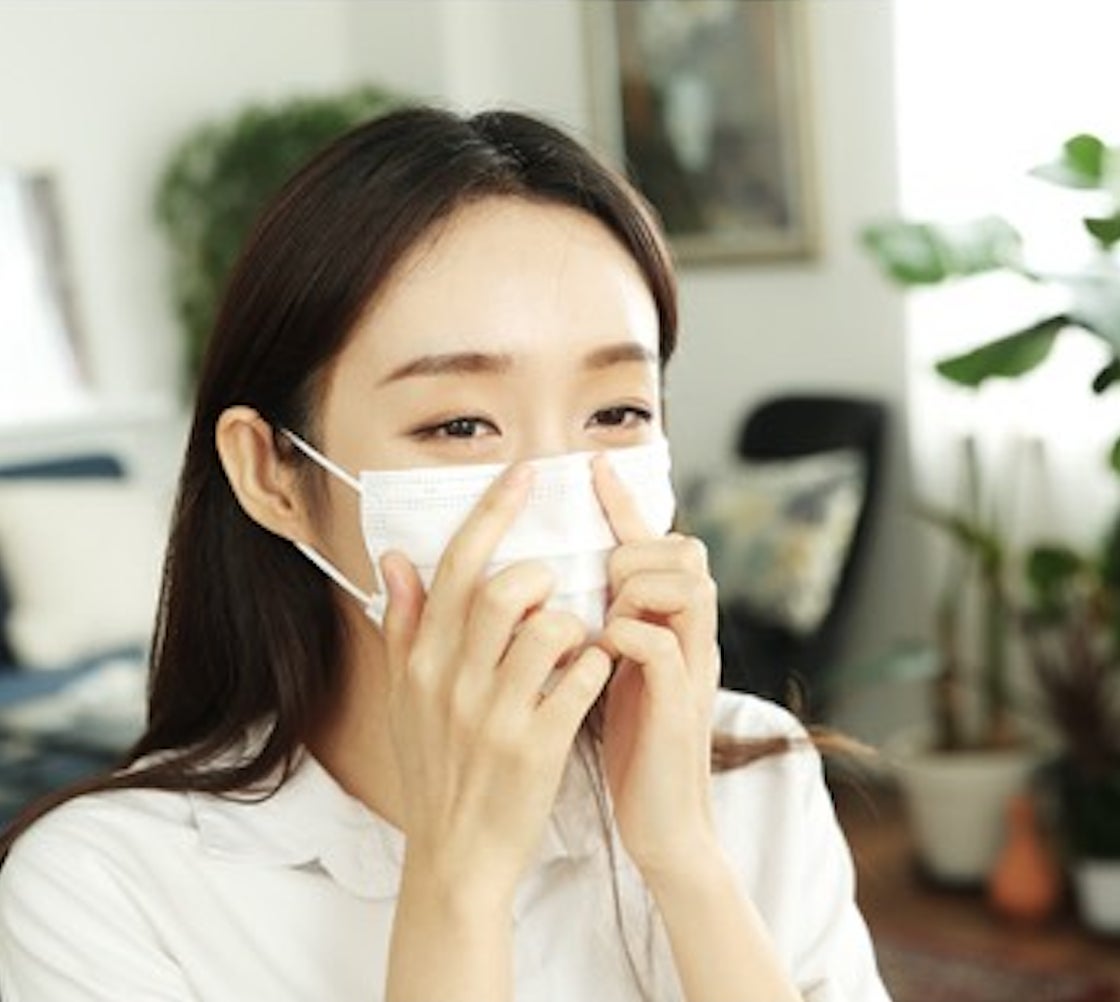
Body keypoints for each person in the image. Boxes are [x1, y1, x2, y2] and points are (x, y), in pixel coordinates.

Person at [0, 105, 891, 1002]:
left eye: (617, 412)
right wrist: (457, 881)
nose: (557, 486)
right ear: (273, 474)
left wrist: (687, 860)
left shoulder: (754, 769)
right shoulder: (99, 890)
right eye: (460, 424)